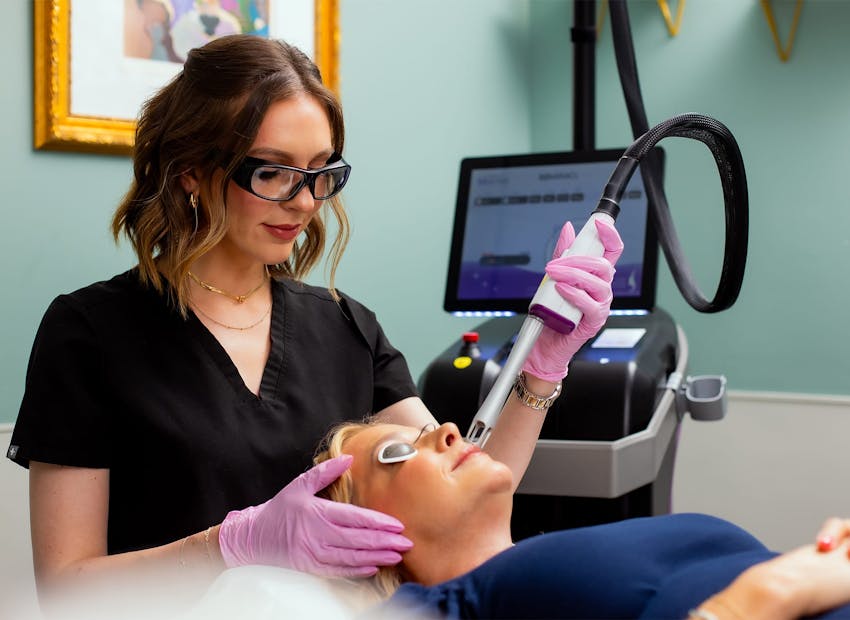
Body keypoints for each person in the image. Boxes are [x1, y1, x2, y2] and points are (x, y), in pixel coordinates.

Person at [6, 33, 623, 611]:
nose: (304, 201)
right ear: (191, 168)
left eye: (321, 171)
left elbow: (467, 490)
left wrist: (544, 364)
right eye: (272, 171)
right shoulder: (90, 334)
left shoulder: (344, 328)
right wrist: (230, 545)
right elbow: (66, 592)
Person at [312, 419, 850, 619]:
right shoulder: (435, 609)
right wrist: (756, 602)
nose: (446, 428)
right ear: (359, 535)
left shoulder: (528, 570)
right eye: (396, 454)